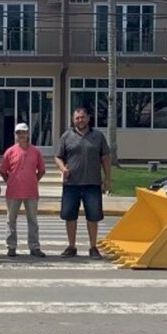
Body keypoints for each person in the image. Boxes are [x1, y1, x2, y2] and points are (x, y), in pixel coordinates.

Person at [54, 106, 111, 258]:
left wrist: (107, 179)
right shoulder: (66, 136)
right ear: (73, 120)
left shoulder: (98, 136)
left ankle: (93, 247)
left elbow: (105, 157)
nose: (80, 120)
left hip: (92, 183)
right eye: (77, 118)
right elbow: (58, 157)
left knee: (93, 216)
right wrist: (62, 169)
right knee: (69, 216)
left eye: (83, 117)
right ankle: (71, 246)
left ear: (88, 118)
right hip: (71, 184)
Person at [0, 122, 47, 258]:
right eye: (19, 133)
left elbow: (42, 170)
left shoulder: (35, 151)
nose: (21, 135)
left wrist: (34, 180)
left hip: (31, 191)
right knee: (11, 220)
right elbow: (3, 170)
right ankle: (11, 246)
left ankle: (34, 247)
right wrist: (9, 181)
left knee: (32, 220)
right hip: (13, 191)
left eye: (24, 132)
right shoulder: (10, 151)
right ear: (15, 135)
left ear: (28, 134)